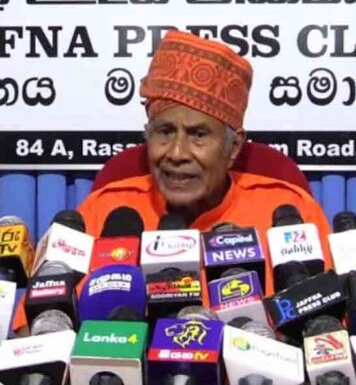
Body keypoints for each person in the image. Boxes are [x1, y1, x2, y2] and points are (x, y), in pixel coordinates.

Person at [78, 30, 333, 295]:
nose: (177, 153)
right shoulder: (103, 210)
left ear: (233, 147)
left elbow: (329, 314)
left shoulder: (290, 212)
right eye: (165, 132)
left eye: (198, 135)